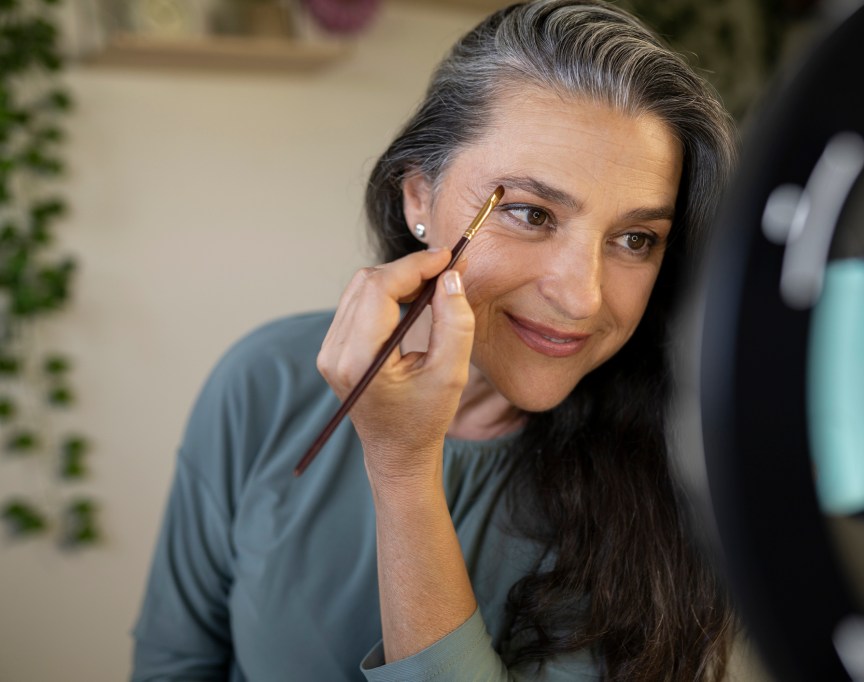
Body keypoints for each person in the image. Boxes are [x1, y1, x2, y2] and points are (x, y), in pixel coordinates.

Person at [131, 1, 737, 680]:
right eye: (532, 213)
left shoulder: (681, 482)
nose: (583, 296)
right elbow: (173, 665)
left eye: (635, 239)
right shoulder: (263, 381)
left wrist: (404, 472)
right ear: (418, 198)